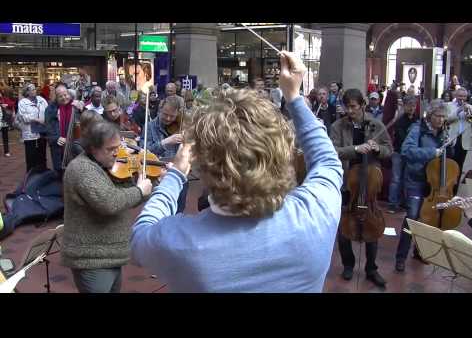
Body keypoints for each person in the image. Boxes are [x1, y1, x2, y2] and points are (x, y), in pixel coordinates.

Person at [130, 51, 343, 293]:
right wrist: (293, 96)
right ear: (283, 154)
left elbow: (140, 235)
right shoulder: (316, 212)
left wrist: (177, 174)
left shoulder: (181, 242)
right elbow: (327, 161)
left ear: (204, 166)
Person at [61, 121, 152, 293]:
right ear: (93, 149)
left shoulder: (107, 166)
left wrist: (148, 183)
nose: (117, 153)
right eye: (111, 149)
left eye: (118, 147)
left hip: (111, 255)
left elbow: (127, 199)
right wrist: (140, 191)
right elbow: (110, 203)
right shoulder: (82, 169)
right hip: (92, 259)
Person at [330, 88, 393, 288]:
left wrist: (377, 149)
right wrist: (355, 149)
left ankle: (371, 268)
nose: (350, 111)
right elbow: (333, 151)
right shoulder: (337, 126)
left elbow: (389, 151)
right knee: (344, 228)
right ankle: (348, 264)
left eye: (354, 107)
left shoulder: (376, 125)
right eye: (347, 106)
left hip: (368, 181)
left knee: (371, 224)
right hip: (348, 182)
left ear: (363, 105)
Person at [395, 99, 454, 272]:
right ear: (430, 115)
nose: (441, 120)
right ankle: (400, 257)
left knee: (428, 219)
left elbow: (447, 158)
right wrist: (431, 153)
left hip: (434, 183)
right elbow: (406, 151)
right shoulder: (417, 129)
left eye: (443, 117)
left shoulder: (443, 133)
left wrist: (449, 146)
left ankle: (419, 252)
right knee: (412, 217)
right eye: (438, 116)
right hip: (416, 179)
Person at [387, 96, 419, 213]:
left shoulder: (417, 120)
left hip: (411, 154)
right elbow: (402, 138)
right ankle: (392, 203)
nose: (412, 108)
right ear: (404, 106)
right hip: (399, 152)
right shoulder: (399, 120)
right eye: (409, 105)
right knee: (396, 178)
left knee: (408, 179)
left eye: (414, 105)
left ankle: (405, 202)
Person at [45, 84, 85, 174]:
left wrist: (82, 108)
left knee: (75, 170)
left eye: (65, 95)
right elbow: (48, 127)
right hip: (58, 146)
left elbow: (85, 120)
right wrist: (56, 137)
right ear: (56, 98)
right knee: (59, 171)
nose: (64, 98)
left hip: (74, 146)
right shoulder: (50, 109)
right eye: (60, 96)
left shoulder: (75, 106)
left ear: (68, 94)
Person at [446, 87, 472, 191]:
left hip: (464, 141)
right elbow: (446, 120)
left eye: (464, 96)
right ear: (455, 96)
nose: (462, 98)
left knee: (459, 166)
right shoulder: (449, 106)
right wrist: (458, 111)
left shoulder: (471, 108)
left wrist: (470, 116)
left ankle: (454, 190)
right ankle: (447, 187)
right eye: (460, 96)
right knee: (450, 165)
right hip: (452, 140)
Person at [17, 83, 49, 172]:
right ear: (27, 92)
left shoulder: (41, 100)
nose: (35, 90)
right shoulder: (22, 103)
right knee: (31, 157)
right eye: (32, 89)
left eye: (35, 89)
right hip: (30, 133)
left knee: (42, 155)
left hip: (42, 131)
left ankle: (43, 174)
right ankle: (31, 176)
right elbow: (23, 118)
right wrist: (36, 119)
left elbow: (47, 111)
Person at [0, 90, 15, 157]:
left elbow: (12, 103)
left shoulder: (4, 98)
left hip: (4, 121)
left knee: (5, 137)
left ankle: (6, 151)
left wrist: (6, 105)